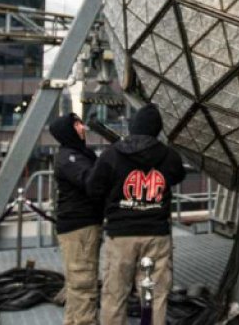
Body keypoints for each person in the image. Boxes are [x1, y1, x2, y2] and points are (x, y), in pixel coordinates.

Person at [87, 103, 185, 325]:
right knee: (152, 297)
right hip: (156, 235)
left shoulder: (111, 155)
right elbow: (177, 176)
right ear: (157, 129)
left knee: (115, 295)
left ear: (133, 127)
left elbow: (93, 188)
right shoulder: (169, 157)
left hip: (121, 235)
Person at [50, 112, 103, 325]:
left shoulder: (79, 154)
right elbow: (92, 181)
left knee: (76, 283)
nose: (83, 128)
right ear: (68, 131)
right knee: (84, 282)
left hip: (82, 226)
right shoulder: (70, 158)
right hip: (80, 227)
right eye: (77, 124)